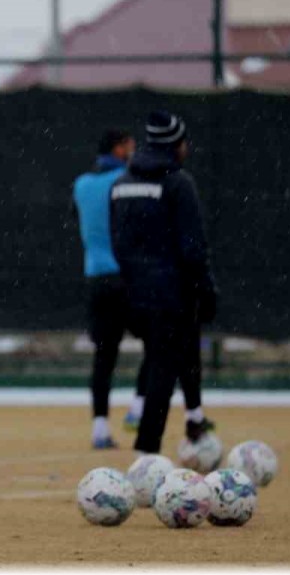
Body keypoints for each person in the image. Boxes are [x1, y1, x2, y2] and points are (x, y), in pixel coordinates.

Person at [73, 129, 205, 449]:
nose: (134, 153)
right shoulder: (130, 181)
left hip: (97, 279)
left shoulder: (81, 185)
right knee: (159, 346)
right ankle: (138, 407)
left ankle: (100, 428)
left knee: (104, 357)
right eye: (130, 147)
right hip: (132, 280)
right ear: (119, 149)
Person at [110, 111, 218, 457]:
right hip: (171, 293)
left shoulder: (121, 184)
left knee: (173, 356)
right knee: (163, 369)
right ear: (176, 145)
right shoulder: (178, 183)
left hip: (132, 293)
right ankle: (147, 452)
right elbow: (193, 248)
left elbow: (119, 243)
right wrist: (207, 289)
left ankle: (195, 419)